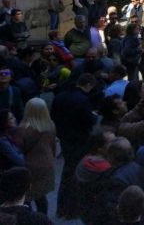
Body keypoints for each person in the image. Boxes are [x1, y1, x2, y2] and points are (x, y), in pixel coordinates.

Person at [53, 72, 97, 219]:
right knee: (75, 174)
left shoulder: (60, 96)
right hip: (80, 141)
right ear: (88, 85)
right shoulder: (83, 100)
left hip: (65, 138)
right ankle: (71, 208)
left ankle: (62, 207)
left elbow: (53, 116)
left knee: (68, 172)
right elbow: (89, 121)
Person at [13, 97, 57, 215]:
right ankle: (43, 219)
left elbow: (18, 150)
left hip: (29, 165)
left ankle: (28, 218)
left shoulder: (22, 129)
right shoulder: (51, 125)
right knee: (41, 196)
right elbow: (53, 145)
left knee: (26, 196)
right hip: (46, 163)